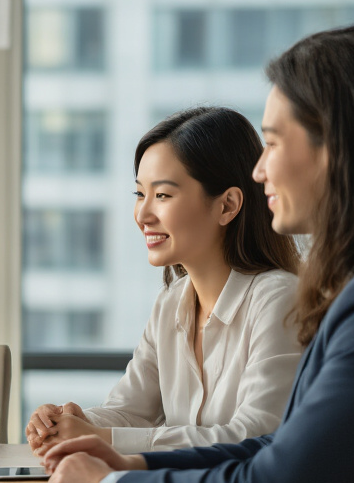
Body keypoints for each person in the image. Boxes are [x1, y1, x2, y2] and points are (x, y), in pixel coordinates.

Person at [40, 25, 354, 483]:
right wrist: (134, 465)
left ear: (337, 152)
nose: (259, 171)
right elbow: (277, 449)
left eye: (275, 143)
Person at [27, 107, 302, 455]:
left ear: (227, 205)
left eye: (163, 195)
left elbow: (255, 437)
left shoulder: (278, 299)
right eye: (140, 194)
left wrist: (100, 438)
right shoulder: (172, 302)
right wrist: (72, 422)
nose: (143, 215)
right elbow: (131, 411)